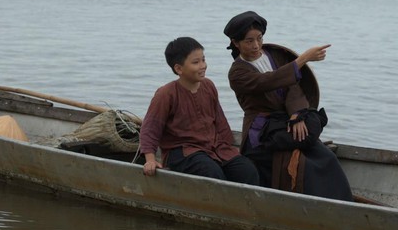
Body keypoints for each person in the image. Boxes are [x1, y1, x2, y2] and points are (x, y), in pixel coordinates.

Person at [224, 11, 353, 201]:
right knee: (303, 166)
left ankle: (343, 203)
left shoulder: (273, 54)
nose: (256, 45)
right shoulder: (237, 73)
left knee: (326, 157)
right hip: (261, 132)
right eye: (249, 41)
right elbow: (268, 81)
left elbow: (293, 86)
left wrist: (297, 115)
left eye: (259, 38)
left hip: (287, 122)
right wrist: (303, 59)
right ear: (236, 43)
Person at [139, 36, 260, 185]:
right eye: (196, 62)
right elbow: (151, 128)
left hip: (214, 147)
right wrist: (150, 160)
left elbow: (220, 122)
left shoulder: (208, 86)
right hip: (183, 151)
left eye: (203, 59)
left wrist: (231, 150)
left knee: (247, 170)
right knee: (211, 173)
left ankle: (242, 208)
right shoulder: (166, 94)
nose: (203, 65)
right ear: (178, 68)